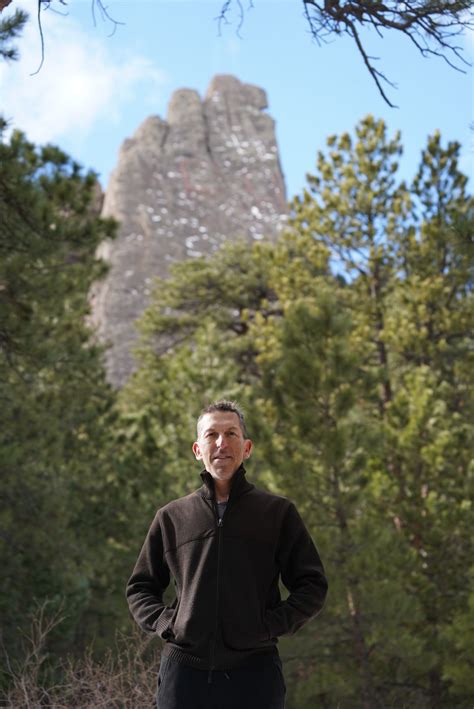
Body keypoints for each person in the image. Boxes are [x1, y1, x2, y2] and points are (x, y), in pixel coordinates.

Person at [126, 400, 328, 709]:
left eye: (231, 433)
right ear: (198, 449)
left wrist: (269, 625)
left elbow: (312, 585)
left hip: (256, 674)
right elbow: (140, 588)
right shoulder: (172, 517)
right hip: (184, 677)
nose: (222, 443)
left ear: (247, 447)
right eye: (212, 435)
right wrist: (170, 623)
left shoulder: (277, 513)